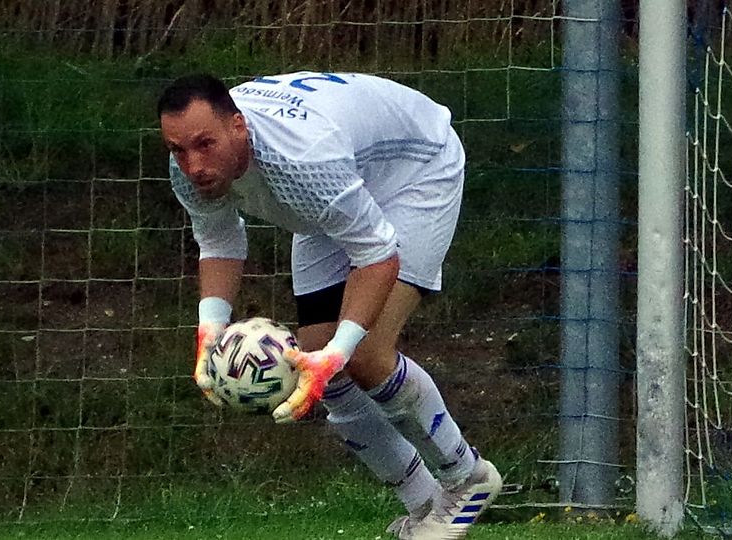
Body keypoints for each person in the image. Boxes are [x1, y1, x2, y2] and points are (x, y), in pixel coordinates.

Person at [157, 71, 502, 539]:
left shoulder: (303, 158)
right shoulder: (186, 168)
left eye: (205, 144)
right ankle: (424, 505)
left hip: (415, 171)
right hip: (334, 192)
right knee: (317, 366)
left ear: (238, 126)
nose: (193, 165)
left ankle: (468, 480)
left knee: (363, 353)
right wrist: (210, 333)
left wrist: (340, 351)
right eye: (178, 149)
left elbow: (376, 255)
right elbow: (219, 239)